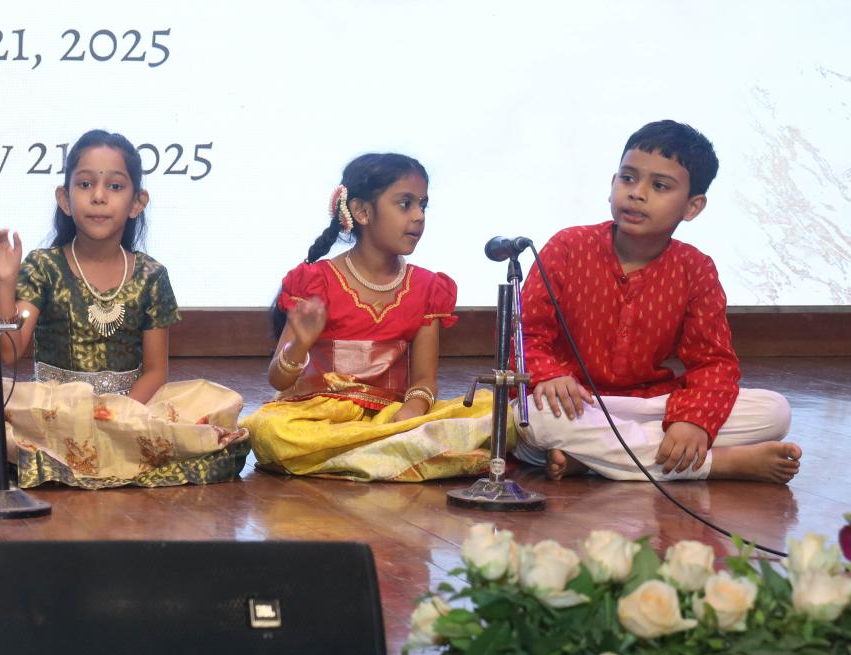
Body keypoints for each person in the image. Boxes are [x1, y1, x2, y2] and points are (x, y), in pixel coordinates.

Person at [516, 120, 800, 483]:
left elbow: (714, 364)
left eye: (660, 186)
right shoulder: (567, 247)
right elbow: (524, 335)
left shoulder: (695, 268)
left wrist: (694, 420)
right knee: (534, 421)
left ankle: (590, 458)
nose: (637, 193)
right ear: (612, 183)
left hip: (650, 405)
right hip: (575, 404)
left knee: (775, 412)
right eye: (628, 178)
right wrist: (549, 375)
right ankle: (718, 464)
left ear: (693, 207)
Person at [0, 130, 248, 489]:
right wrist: (6, 282)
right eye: (86, 184)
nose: (99, 197)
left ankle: (104, 450)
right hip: (59, 411)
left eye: (115, 187)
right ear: (64, 198)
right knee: (2, 425)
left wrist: (114, 414)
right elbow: (11, 354)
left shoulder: (152, 275)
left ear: (138, 202)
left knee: (214, 406)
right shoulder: (43, 266)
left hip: (127, 412)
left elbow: (155, 372)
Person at [241, 153, 493, 481]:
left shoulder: (427, 286)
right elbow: (279, 381)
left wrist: (410, 412)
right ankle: (391, 456)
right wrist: (298, 346)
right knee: (269, 429)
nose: (418, 216)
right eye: (405, 204)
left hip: (392, 416)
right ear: (361, 211)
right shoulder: (316, 281)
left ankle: (359, 455)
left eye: (423, 205)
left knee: (493, 412)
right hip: (323, 418)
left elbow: (424, 380)